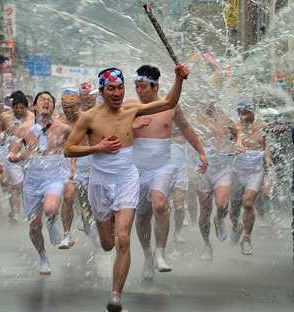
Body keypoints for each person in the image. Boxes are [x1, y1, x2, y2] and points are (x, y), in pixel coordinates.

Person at [64, 65, 189, 312]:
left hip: (127, 180)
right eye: (111, 88)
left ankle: (115, 296)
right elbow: (69, 149)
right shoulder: (90, 118)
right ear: (102, 91)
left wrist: (178, 79)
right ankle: (101, 221)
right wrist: (96, 148)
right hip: (100, 183)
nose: (117, 92)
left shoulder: (131, 110)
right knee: (108, 243)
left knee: (123, 238)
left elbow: (169, 103)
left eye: (120, 87)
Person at [123, 65, 207, 279]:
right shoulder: (130, 106)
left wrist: (200, 152)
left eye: (143, 87)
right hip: (137, 169)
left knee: (159, 204)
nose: (139, 91)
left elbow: (186, 128)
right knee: (141, 218)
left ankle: (161, 253)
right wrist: (132, 126)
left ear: (156, 86)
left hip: (162, 167)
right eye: (136, 87)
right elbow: (112, 127)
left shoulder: (171, 106)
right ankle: (147, 253)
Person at [9, 91, 71, 274]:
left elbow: (73, 147)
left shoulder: (63, 128)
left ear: (53, 108)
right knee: (35, 227)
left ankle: (52, 222)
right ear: (34, 107)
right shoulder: (23, 128)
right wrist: (16, 156)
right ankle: (43, 256)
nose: (46, 102)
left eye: (50, 100)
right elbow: (13, 151)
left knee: (51, 209)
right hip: (33, 180)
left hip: (54, 176)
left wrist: (73, 166)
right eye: (42, 100)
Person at [194, 92, 243, 261]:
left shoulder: (223, 117)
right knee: (205, 210)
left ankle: (219, 219)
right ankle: (207, 244)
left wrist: (237, 142)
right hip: (203, 170)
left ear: (213, 101)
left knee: (222, 205)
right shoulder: (195, 117)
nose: (206, 103)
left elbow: (236, 133)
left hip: (221, 167)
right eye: (203, 100)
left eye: (209, 100)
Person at [229, 99, 273, 255]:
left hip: (256, 172)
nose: (246, 117)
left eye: (249, 113)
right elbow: (235, 137)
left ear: (254, 112)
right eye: (242, 114)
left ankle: (247, 238)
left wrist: (268, 158)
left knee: (248, 203)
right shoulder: (235, 127)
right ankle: (236, 226)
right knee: (233, 208)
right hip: (238, 172)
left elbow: (266, 145)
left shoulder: (263, 128)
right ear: (238, 114)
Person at [58, 89, 98, 249]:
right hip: (67, 164)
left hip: (87, 163)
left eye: (71, 107)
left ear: (79, 105)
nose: (68, 111)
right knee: (68, 196)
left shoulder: (87, 120)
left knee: (89, 204)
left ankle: (89, 224)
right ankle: (67, 235)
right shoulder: (58, 123)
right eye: (64, 107)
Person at [0, 91, 34, 223]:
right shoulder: (6, 118)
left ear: (27, 108)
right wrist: (2, 136)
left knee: (28, 186)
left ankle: (30, 211)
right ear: (12, 107)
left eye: (22, 108)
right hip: (12, 157)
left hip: (29, 158)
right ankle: (16, 214)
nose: (19, 110)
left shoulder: (33, 119)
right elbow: (1, 128)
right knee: (16, 186)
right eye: (16, 107)